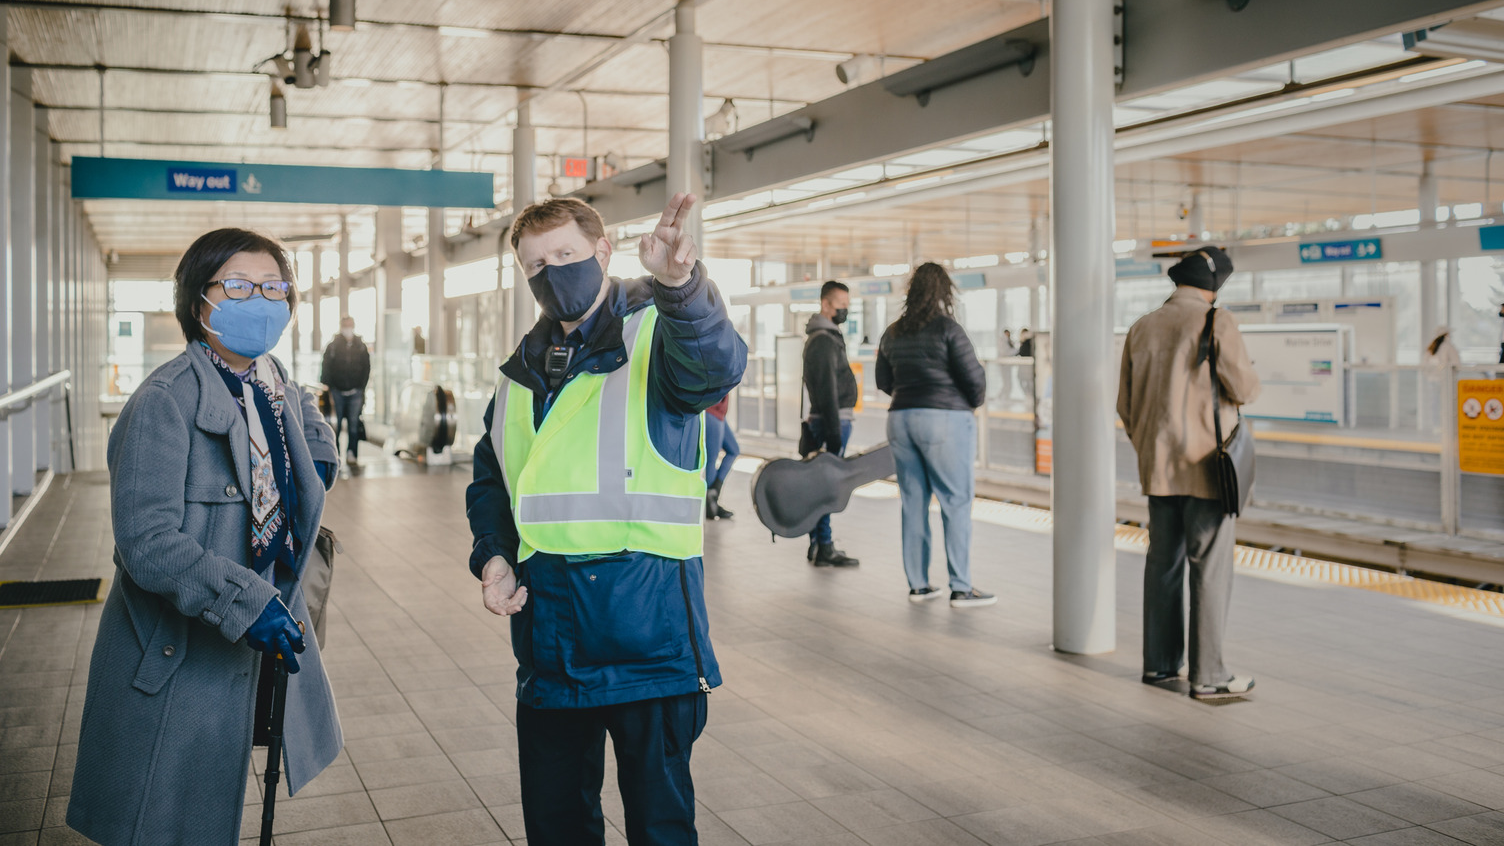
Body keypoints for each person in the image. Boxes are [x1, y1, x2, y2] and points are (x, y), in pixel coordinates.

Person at [466, 193, 746, 844]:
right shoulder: (520, 371)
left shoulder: (656, 332)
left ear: (603, 252)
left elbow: (714, 367)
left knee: (660, 828)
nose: (551, 273)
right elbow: (492, 477)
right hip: (550, 642)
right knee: (559, 826)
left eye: (565, 255)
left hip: (648, 641)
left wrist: (681, 288)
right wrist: (494, 555)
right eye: (535, 265)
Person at [68, 229, 342, 845]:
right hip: (177, 650)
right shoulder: (164, 402)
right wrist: (248, 603)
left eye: (274, 287)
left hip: (252, 643)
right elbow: (147, 542)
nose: (260, 300)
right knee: (164, 818)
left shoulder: (268, 379)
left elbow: (303, 404)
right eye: (239, 286)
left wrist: (318, 448)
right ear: (200, 304)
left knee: (210, 809)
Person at [1117, 246, 1261, 701]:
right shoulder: (1217, 321)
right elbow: (1245, 388)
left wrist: (1150, 447)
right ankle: (1209, 674)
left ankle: (1160, 666)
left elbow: (1126, 404)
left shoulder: (1143, 326)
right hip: (1206, 466)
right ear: (1214, 285)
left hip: (1158, 467)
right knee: (1210, 568)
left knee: (1163, 564)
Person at [876, 263, 995, 608]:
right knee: (955, 502)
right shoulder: (948, 329)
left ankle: (919, 585)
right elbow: (974, 379)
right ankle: (960, 586)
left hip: (900, 417)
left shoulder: (892, 332)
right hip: (944, 419)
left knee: (913, 502)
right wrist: (965, 403)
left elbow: (884, 382)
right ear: (944, 292)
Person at [801, 280, 860, 567]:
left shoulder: (826, 336)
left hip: (827, 420)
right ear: (826, 304)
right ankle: (824, 545)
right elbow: (827, 391)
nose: (845, 310)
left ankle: (818, 543)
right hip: (829, 422)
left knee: (820, 483)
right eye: (841, 305)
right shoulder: (824, 340)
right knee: (825, 486)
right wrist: (835, 434)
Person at [321, 315, 370, 464]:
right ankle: (335, 455)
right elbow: (326, 368)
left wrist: (362, 388)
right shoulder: (333, 346)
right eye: (345, 325)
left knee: (353, 425)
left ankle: (352, 453)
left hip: (355, 392)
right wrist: (327, 389)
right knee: (335, 426)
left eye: (350, 325)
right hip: (337, 392)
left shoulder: (360, 346)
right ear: (341, 327)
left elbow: (366, 368)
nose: (348, 329)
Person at [704, 393, 740, 519]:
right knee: (711, 460)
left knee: (734, 450)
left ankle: (713, 493)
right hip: (711, 410)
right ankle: (710, 504)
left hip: (719, 413)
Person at [1425, 326, 1462, 430]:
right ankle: (1445, 425)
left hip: (1433, 380)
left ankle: (1436, 425)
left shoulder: (1431, 347)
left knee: (1435, 403)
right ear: (1446, 335)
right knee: (1446, 403)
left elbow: (1425, 365)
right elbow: (1457, 363)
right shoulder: (1448, 346)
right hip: (1444, 381)